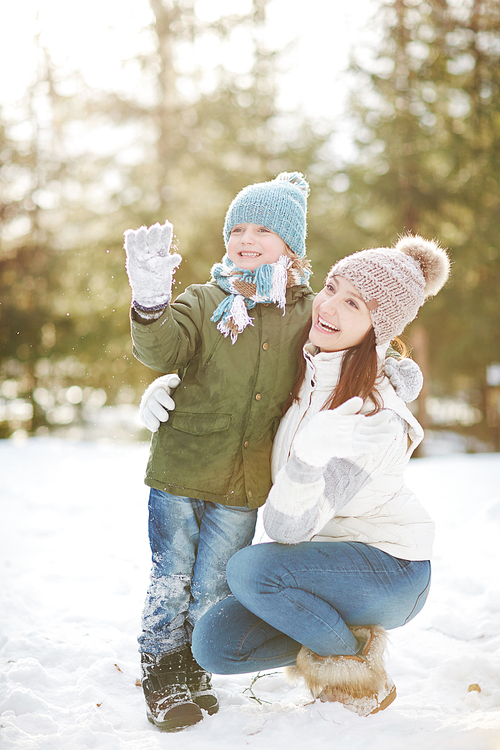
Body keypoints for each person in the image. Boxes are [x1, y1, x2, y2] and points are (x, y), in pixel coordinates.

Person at [188, 234, 450, 717]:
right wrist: (174, 386)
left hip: (391, 571)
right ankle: (340, 633)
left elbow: (289, 530)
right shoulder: (310, 369)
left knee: (250, 570)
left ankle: (357, 676)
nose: (328, 306)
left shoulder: (375, 418)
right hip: (323, 567)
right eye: (331, 288)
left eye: (353, 302)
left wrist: (307, 459)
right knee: (216, 644)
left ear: (378, 327)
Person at [123, 172, 315, 731]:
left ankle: (195, 665)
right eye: (238, 228)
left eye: (264, 230)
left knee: (213, 586)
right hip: (181, 471)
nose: (246, 239)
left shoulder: (303, 313)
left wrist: (385, 365)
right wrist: (152, 302)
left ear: (292, 248)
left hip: (245, 482)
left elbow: (338, 354)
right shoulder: (205, 300)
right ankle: (162, 670)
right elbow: (162, 348)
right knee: (173, 576)